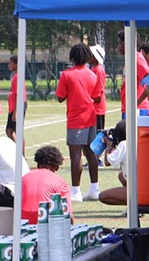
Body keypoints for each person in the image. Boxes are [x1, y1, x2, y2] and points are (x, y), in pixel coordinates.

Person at [55, 43, 102, 204]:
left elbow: (60, 97)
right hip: (91, 117)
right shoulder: (92, 74)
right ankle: (95, 189)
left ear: (72, 57)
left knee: (75, 155)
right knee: (91, 154)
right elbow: (97, 97)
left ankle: (76, 191)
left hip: (76, 119)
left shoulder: (66, 75)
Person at [18, 145, 72, 224]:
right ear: (57, 167)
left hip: (21, 220)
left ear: (38, 165)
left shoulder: (23, 178)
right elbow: (69, 216)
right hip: (44, 220)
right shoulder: (61, 182)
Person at [88, 44, 108, 131]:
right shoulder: (94, 69)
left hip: (98, 108)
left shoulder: (99, 70)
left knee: (97, 134)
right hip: (94, 108)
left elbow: (99, 90)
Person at [5, 53, 25, 136]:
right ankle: (16, 148)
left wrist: (16, 112)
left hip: (17, 106)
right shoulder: (15, 76)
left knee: (18, 131)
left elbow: (19, 96)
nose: (8, 65)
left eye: (10, 63)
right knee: (9, 131)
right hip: (13, 106)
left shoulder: (17, 77)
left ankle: (21, 149)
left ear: (16, 64)